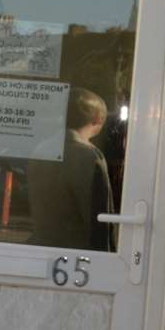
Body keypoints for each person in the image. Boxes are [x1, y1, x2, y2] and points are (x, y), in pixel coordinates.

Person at [27, 87, 116, 251]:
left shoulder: (41, 148)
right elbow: (100, 216)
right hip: (77, 251)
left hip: (41, 246)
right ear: (98, 119)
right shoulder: (90, 156)